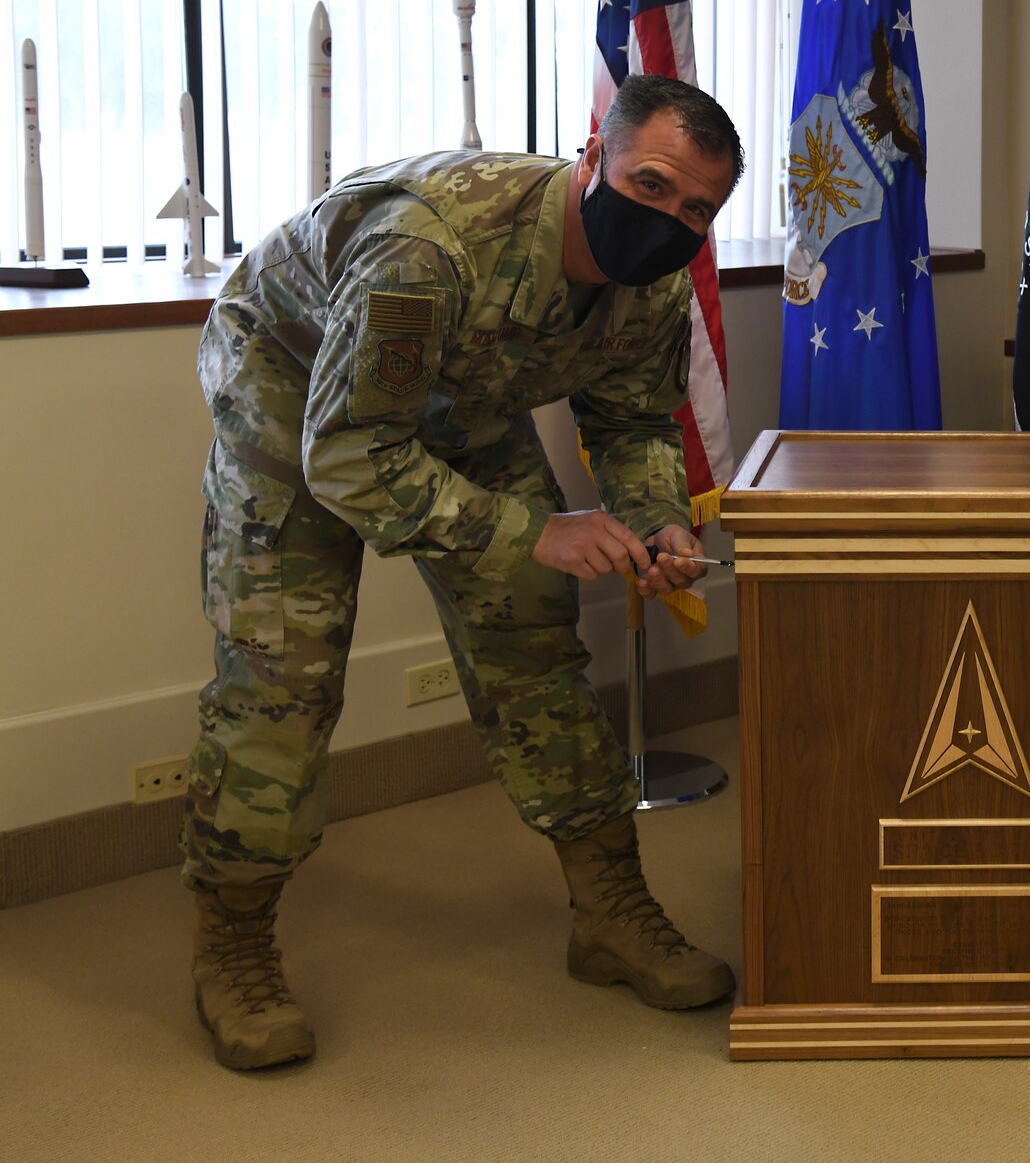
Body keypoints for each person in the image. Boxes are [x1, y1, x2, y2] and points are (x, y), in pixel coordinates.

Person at [183, 74, 741, 1071]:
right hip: (292, 388)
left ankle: (610, 912)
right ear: (591, 157)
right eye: (650, 185)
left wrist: (654, 523)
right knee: (286, 673)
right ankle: (230, 943)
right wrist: (536, 529)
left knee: (533, 632)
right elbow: (350, 451)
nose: (670, 218)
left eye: (697, 207)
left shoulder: (654, 281)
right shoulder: (429, 244)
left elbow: (632, 418)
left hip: (455, 394)